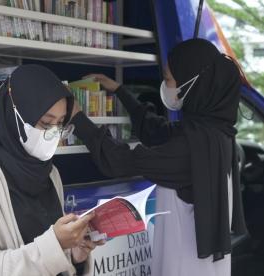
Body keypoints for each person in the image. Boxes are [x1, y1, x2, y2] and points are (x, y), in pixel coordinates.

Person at [70, 39, 247, 276]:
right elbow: (159, 131)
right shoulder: (217, 133)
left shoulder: (190, 148)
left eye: (169, 79)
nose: (166, 85)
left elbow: (118, 161)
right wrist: (120, 91)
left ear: (191, 84)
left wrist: (77, 117)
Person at [0, 64, 105, 276]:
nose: (53, 134)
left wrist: (74, 254)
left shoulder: (50, 174)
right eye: (45, 123)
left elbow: (51, 259)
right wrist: (55, 244)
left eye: (60, 124)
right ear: (16, 116)